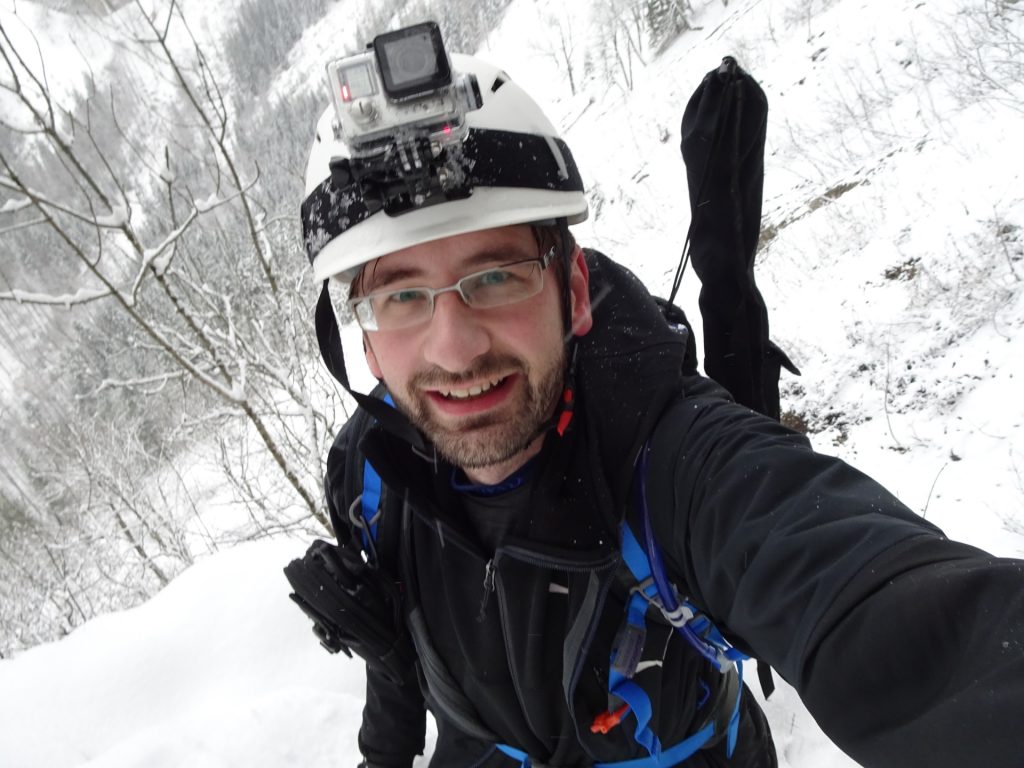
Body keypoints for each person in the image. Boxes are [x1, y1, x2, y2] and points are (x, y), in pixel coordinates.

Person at [294, 40, 1024, 768]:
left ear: (573, 292)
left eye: (496, 277)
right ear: (365, 340)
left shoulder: (668, 463)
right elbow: (403, 664)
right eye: (403, 297)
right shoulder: (370, 475)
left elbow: (891, 612)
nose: (454, 350)